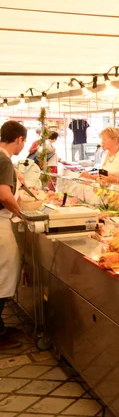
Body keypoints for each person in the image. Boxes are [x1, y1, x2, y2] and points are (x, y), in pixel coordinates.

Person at [0, 120, 27, 350]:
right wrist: (22, 214)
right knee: (5, 274)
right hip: (0, 223)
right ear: (18, 139)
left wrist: (15, 172)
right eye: (23, 142)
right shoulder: (4, 159)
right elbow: (4, 196)